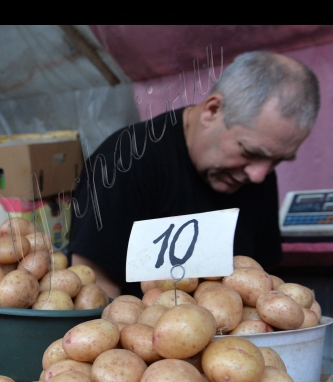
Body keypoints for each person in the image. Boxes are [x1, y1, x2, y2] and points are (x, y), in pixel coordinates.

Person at [69, 51, 320, 299]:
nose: (258, 175)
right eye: (249, 151)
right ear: (212, 110)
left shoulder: (257, 172)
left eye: (278, 159)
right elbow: (93, 291)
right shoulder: (124, 161)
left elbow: (263, 279)